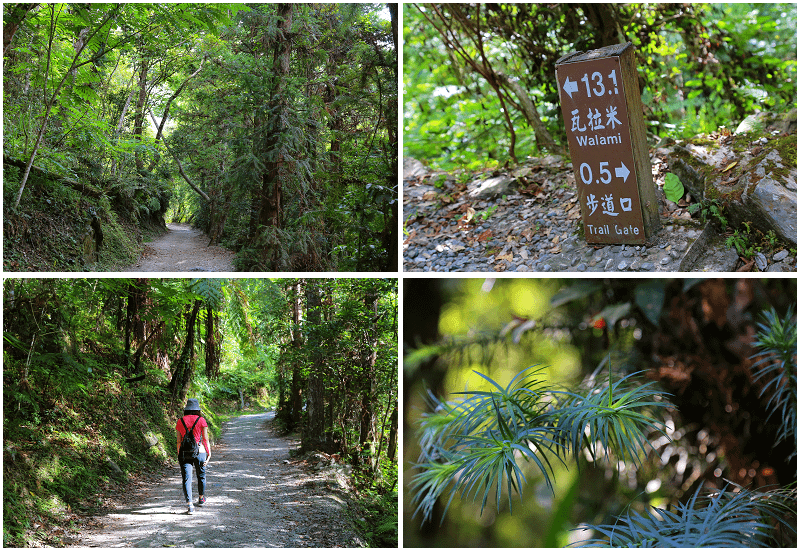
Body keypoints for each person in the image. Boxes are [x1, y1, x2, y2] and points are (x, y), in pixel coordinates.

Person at [176, 398, 211, 514]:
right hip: (200, 451)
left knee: (187, 479)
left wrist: (179, 455)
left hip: (184, 453)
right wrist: (209, 453)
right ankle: (201, 498)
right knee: (201, 476)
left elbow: (178, 441)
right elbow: (205, 439)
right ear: (197, 409)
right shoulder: (201, 420)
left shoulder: (180, 421)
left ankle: (190, 506)